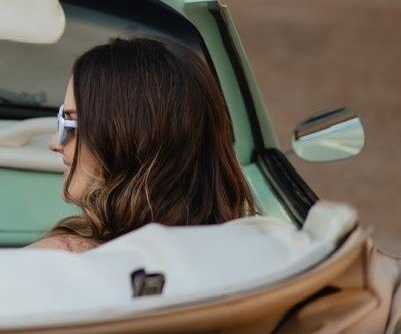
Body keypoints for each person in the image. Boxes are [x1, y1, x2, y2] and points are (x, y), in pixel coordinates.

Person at [29, 36, 258, 252]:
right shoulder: (244, 246)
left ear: (129, 141)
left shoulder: (61, 255)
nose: (54, 143)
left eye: (71, 126)